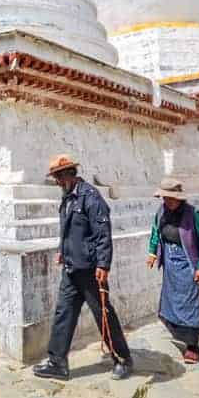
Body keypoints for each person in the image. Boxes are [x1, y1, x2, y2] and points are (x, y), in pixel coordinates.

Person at [32, 155, 133, 381]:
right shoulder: (68, 198)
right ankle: (57, 362)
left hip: (90, 269)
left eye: (59, 176)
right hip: (71, 268)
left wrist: (103, 264)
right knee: (63, 314)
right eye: (55, 177)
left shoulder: (90, 197)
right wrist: (62, 249)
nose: (57, 181)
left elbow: (102, 232)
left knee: (103, 314)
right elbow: (67, 229)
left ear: (69, 174)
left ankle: (122, 358)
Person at [146, 178, 199, 364]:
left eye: (170, 198)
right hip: (170, 265)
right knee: (173, 302)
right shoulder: (161, 212)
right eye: (164, 198)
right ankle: (178, 333)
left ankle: (192, 345)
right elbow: (155, 232)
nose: (166, 201)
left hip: (189, 264)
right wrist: (152, 252)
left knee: (191, 303)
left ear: (179, 198)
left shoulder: (193, 214)